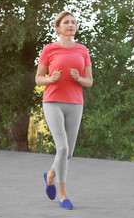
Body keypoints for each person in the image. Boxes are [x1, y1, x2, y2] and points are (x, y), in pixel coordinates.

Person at [35, 11, 93, 210]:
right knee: (62, 148)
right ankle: (63, 194)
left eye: (74, 22)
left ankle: (50, 175)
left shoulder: (83, 50)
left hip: (75, 103)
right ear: (58, 27)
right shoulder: (49, 49)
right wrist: (50, 79)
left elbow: (89, 81)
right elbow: (38, 78)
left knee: (68, 153)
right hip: (53, 102)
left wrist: (79, 79)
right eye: (66, 22)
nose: (71, 25)